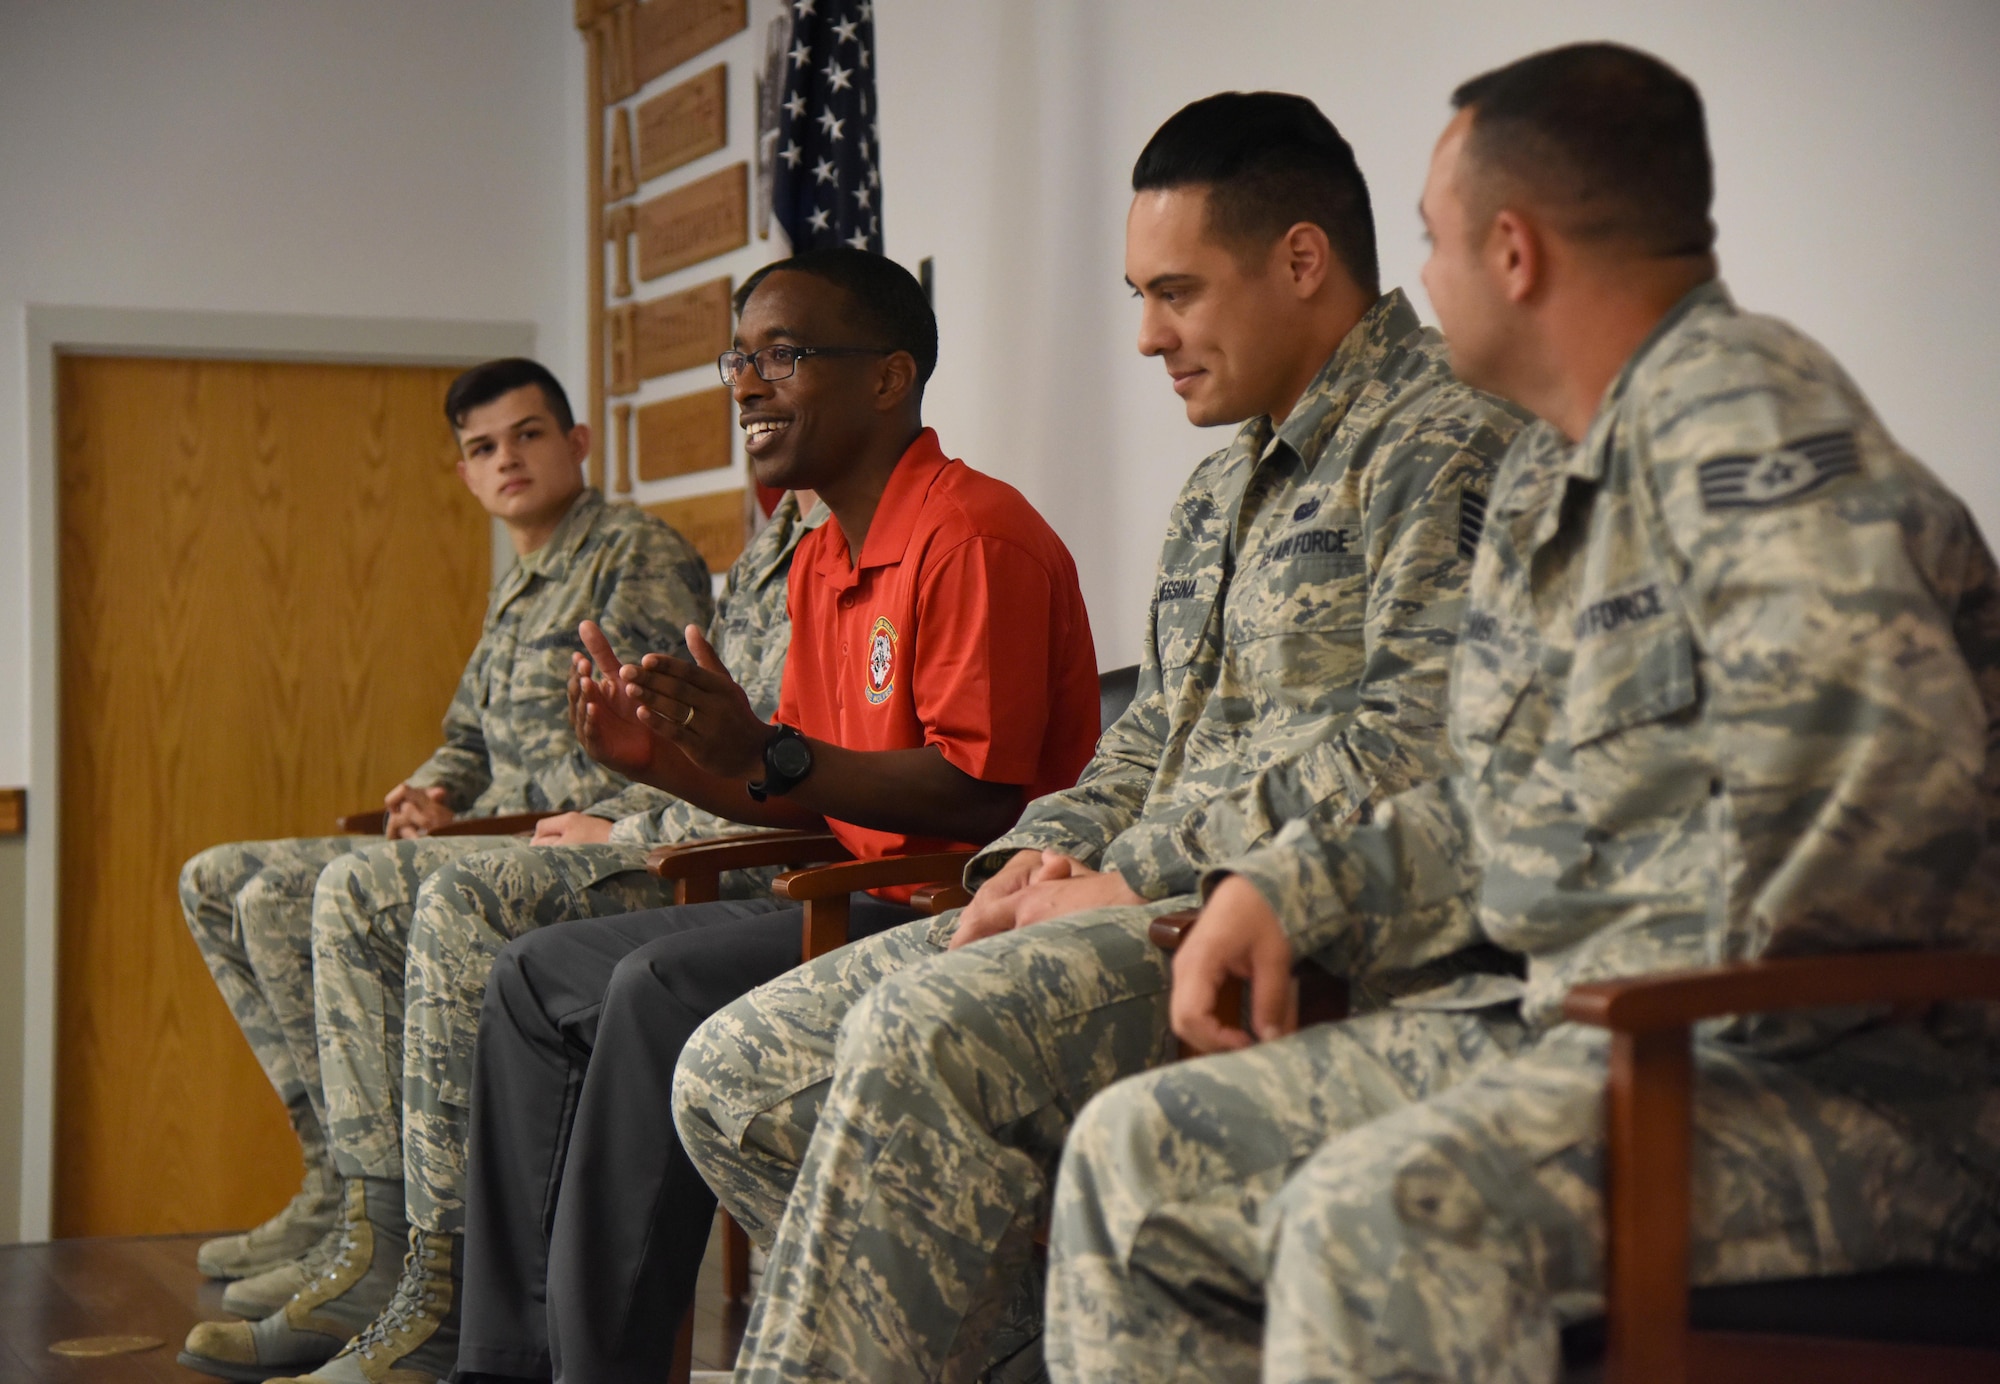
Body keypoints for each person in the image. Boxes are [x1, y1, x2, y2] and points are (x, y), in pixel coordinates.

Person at [1044, 42, 2000, 1384]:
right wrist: (1285, 887)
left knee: (1383, 1217)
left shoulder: (1743, 418)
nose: (1419, 284)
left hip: (1828, 1092)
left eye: (1431, 244)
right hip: (1579, 1038)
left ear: (1513, 252)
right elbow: (1502, 809)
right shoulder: (1556, 479)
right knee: (1135, 1161)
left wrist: (1634, 1002)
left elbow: (1883, 795)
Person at [674, 93, 1528, 1382]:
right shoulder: (1216, 489)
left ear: (1300, 261)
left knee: (916, 1040)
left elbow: (1409, 749)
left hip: (1274, 928)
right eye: (1139, 294)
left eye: (1174, 292)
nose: (1145, 337)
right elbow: (1147, 746)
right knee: (730, 1072)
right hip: (1129, 896)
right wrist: (1033, 859)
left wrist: (1137, 869)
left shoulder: (1444, 443)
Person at [226, 247, 1099, 1384]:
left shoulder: (969, 534)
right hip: (841, 885)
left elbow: (983, 797)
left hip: (945, 907)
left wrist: (770, 754)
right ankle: (504, 1356)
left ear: (888, 379)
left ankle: (612, 1366)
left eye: (782, 355)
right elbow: (794, 784)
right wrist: (666, 761)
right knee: (533, 977)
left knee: (649, 987)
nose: (744, 384)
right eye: (739, 356)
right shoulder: (823, 552)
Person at [175, 360, 710, 1361]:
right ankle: (345, 1193)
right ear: (463, 473)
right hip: (497, 838)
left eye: (528, 434)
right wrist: (427, 793)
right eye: (482, 447)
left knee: (347, 891)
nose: (506, 459)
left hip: (589, 851)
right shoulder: (518, 583)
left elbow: (675, 733)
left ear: (578, 444)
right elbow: (466, 736)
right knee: (221, 880)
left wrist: (619, 818)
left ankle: (407, 1257)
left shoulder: (628, 554)